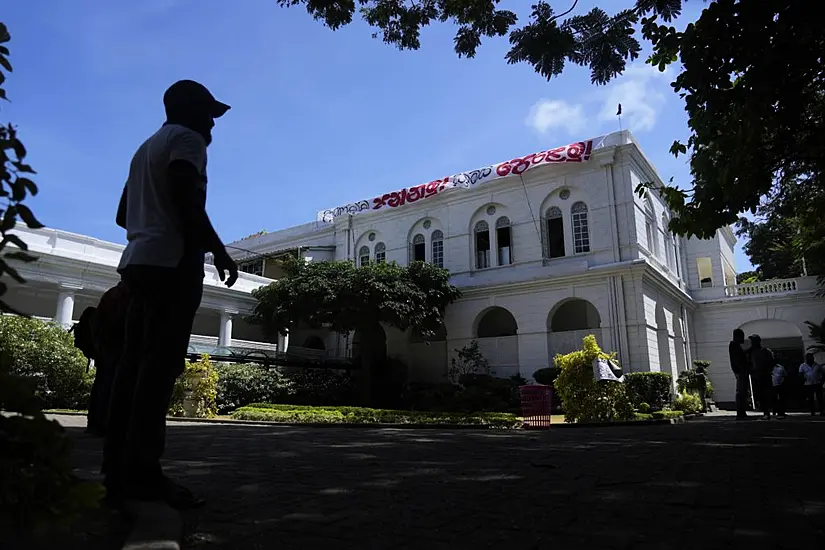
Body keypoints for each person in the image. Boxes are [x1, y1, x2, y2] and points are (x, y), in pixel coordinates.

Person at [103, 80, 238, 510]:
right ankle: (143, 474)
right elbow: (185, 197)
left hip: (138, 262)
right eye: (209, 114)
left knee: (131, 367)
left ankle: (116, 469)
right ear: (190, 111)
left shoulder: (145, 148)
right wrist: (217, 249)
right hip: (171, 265)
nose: (213, 125)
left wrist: (151, 225)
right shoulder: (188, 139)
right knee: (158, 370)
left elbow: (123, 213)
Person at [85, 282, 130, 437]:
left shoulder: (111, 294)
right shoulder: (124, 297)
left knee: (102, 385)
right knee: (109, 386)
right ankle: (105, 424)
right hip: (115, 349)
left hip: (106, 349)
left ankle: (96, 423)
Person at [748, 334, 775, 419]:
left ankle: (773, 411)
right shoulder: (751, 351)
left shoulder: (766, 351)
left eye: (753, 341)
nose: (752, 343)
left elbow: (772, 362)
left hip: (765, 375)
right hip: (757, 377)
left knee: (768, 394)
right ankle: (765, 412)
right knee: (760, 395)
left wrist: (767, 371)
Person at [729, 329, 750, 419]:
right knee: (741, 392)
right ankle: (740, 413)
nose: (743, 338)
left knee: (742, 392)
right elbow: (737, 360)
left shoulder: (735, 346)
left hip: (740, 371)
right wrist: (739, 371)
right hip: (740, 371)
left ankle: (741, 412)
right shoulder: (734, 346)